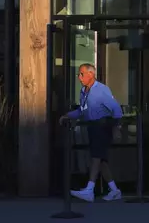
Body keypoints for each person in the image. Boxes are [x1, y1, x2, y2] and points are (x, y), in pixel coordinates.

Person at [59, 63, 123, 202]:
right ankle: (114, 190)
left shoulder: (101, 90)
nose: (79, 77)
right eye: (78, 74)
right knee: (101, 160)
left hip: (103, 126)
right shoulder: (84, 91)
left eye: (82, 74)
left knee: (96, 157)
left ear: (91, 74)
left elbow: (116, 109)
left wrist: (116, 128)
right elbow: (82, 110)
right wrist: (67, 115)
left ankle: (89, 190)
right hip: (93, 127)